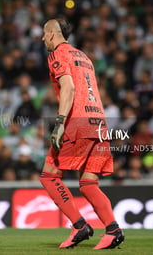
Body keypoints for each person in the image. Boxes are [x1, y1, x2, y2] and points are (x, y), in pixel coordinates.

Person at [39, 18, 124, 249]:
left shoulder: (57, 55)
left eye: (44, 34)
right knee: (88, 183)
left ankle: (79, 226)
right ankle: (113, 230)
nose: (42, 38)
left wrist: (59, 122)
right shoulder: (84, 57)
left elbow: (69, 87)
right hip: (98, 123)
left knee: (49, 176)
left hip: (77, 123)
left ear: (52, 34)